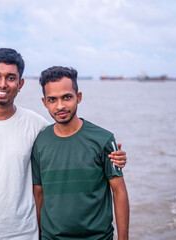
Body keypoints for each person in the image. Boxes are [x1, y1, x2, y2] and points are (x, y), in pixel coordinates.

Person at [0, 48, 127, 240]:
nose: (3, 84)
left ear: (21, 84)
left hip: (24, 234)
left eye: (11, 78)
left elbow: (69, 137)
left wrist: (114, 156)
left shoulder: (36, 125)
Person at [32, 66, 129, 240]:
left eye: (67, 97)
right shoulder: (40, 142)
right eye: (52, 99)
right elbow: (38, 194)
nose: (60, 106)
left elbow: (119, 192)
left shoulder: (104, 139)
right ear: (44, 102)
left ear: (79, 97)